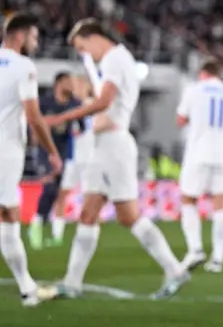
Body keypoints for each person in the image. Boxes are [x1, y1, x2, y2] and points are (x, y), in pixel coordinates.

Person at [45, 18, 190, 299]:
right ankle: (72, 282)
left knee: (128, 216)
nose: (85, 54)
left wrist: (63, 116)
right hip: (102, 146)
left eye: (83, 47)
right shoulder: (115, 60)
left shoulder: (114, 59)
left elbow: (104, 102)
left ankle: (174, 269)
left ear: (94, 37)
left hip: (114, 147)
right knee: (88, 214)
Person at [0, 13, 61, 305]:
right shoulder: (23, 66)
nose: (37, 43)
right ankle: (27, 289)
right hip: (5, 149)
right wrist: (52, 151)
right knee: (8, 215)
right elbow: (34, 116)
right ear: (21, 36)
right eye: (34, 37)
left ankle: (27, 286)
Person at [176, 58, 223, 273]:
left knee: (188, 199)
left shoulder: (193, 90)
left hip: (199, 152)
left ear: (203, 73)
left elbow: (180, 120)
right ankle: (217, 259)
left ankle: (195, 249)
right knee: (220, 204)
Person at [28, 71, 80, 249]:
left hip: (64, 153)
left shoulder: (75, 103)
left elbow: (82, 127)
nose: (72, 85)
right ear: (58, 83)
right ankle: (36, 225)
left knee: (59, 194)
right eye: (68, 82)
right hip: (45, 152)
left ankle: (56, 236)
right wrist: (35, 138)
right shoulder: (45, 102)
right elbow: (34, 122)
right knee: (49, 188)